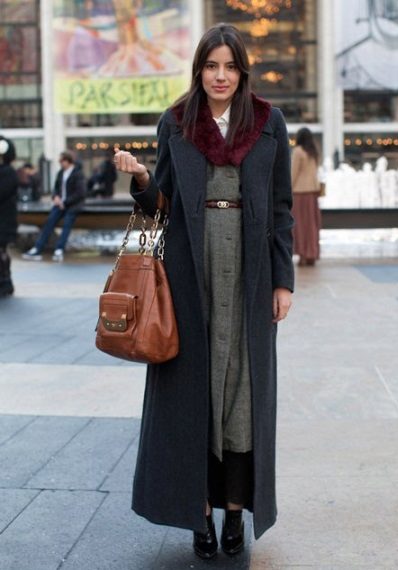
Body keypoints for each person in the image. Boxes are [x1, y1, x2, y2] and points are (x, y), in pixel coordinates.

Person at [114, 23, 294, 559]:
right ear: (199, 70)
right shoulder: (176, 121)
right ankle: (198, 513)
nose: (220, 76)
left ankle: (235, 509)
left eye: (230, 66)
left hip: (250, 271)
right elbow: (161, 207)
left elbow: (281, 208)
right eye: (211, 66)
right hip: (189, 273)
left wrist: (282, 280)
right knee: (194, 391)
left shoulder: (267, 122)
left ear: (242, 71)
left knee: (242, 389)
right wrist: (142, 179)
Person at [22, 151, 86, 262]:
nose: (60, 163)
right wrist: (55, 197)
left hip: (72, 205)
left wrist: (65, 202)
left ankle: (59, 250)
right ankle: (37, 248)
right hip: (59, 204)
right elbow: (56, 188)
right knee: (49, 223)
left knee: (67, 225)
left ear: (68, 161)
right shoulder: (61, 173)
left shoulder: (78, 174)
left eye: (61, 160)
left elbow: (81, 193)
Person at [291, 127, 321, 266]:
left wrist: (287, 190)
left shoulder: (298, 151)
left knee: (300, 225)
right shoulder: (313, 152)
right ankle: (312, 254)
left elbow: (293, 173)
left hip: (299, 193)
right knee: (312, 225)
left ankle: (302, 254)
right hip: (313, 193)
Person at [0, 136, 18, 297]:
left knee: (2, 251)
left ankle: (6, 282)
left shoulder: (8, 172)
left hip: (4, 220)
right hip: (4, 219)